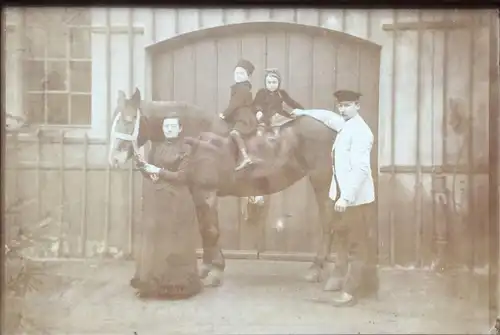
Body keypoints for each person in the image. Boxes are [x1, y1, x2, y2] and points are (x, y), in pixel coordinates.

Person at [132, 116, 202, 299]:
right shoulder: (156, 148)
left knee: (175, 242)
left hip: (178, 200)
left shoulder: (187, 148)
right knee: (156, 241)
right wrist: (144, 168)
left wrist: (158, 172)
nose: (169, 129)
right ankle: (152, 284)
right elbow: (149, 170)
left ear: (180, 129)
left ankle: (175, 286)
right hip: (158, 199)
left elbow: (183, 176)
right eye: (166, 126)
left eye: (173, 126)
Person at [324, 89, 378, 307]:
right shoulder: (345, 126)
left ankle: (350, 292)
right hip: (341, 196)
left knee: (357, 245)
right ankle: (355, 284)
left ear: (357, 106)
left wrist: (346, 197)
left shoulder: (361, 131)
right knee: (343, 239)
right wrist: (300, 111)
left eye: (347, 105)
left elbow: (361, 169)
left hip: (355, 200)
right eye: (340, 105)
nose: (342, 109)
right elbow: (325, 117)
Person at [219, 59, 259, 171]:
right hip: (238, 116)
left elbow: (234, 104)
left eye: (241, 74)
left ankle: (245, 157)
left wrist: (223, 114)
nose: (238, 76)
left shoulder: (243, 89)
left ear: (248, 76)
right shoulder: (238, 88)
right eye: (236, 73)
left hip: (244, 118)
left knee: (235, 133)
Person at [253, 68, 303, 139]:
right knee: (260, 129)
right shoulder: (261, 93)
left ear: (278, 83)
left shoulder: (281, 93)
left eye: (274, 82)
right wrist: (258, 111)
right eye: (269, 82)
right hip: (265, 115)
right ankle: (260, 139)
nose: (271, 85)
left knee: (280, 126)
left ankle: (276, 136)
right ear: (265, 83)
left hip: (278, 115)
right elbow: (256, 103)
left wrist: (301, 109)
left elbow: (291, 102)